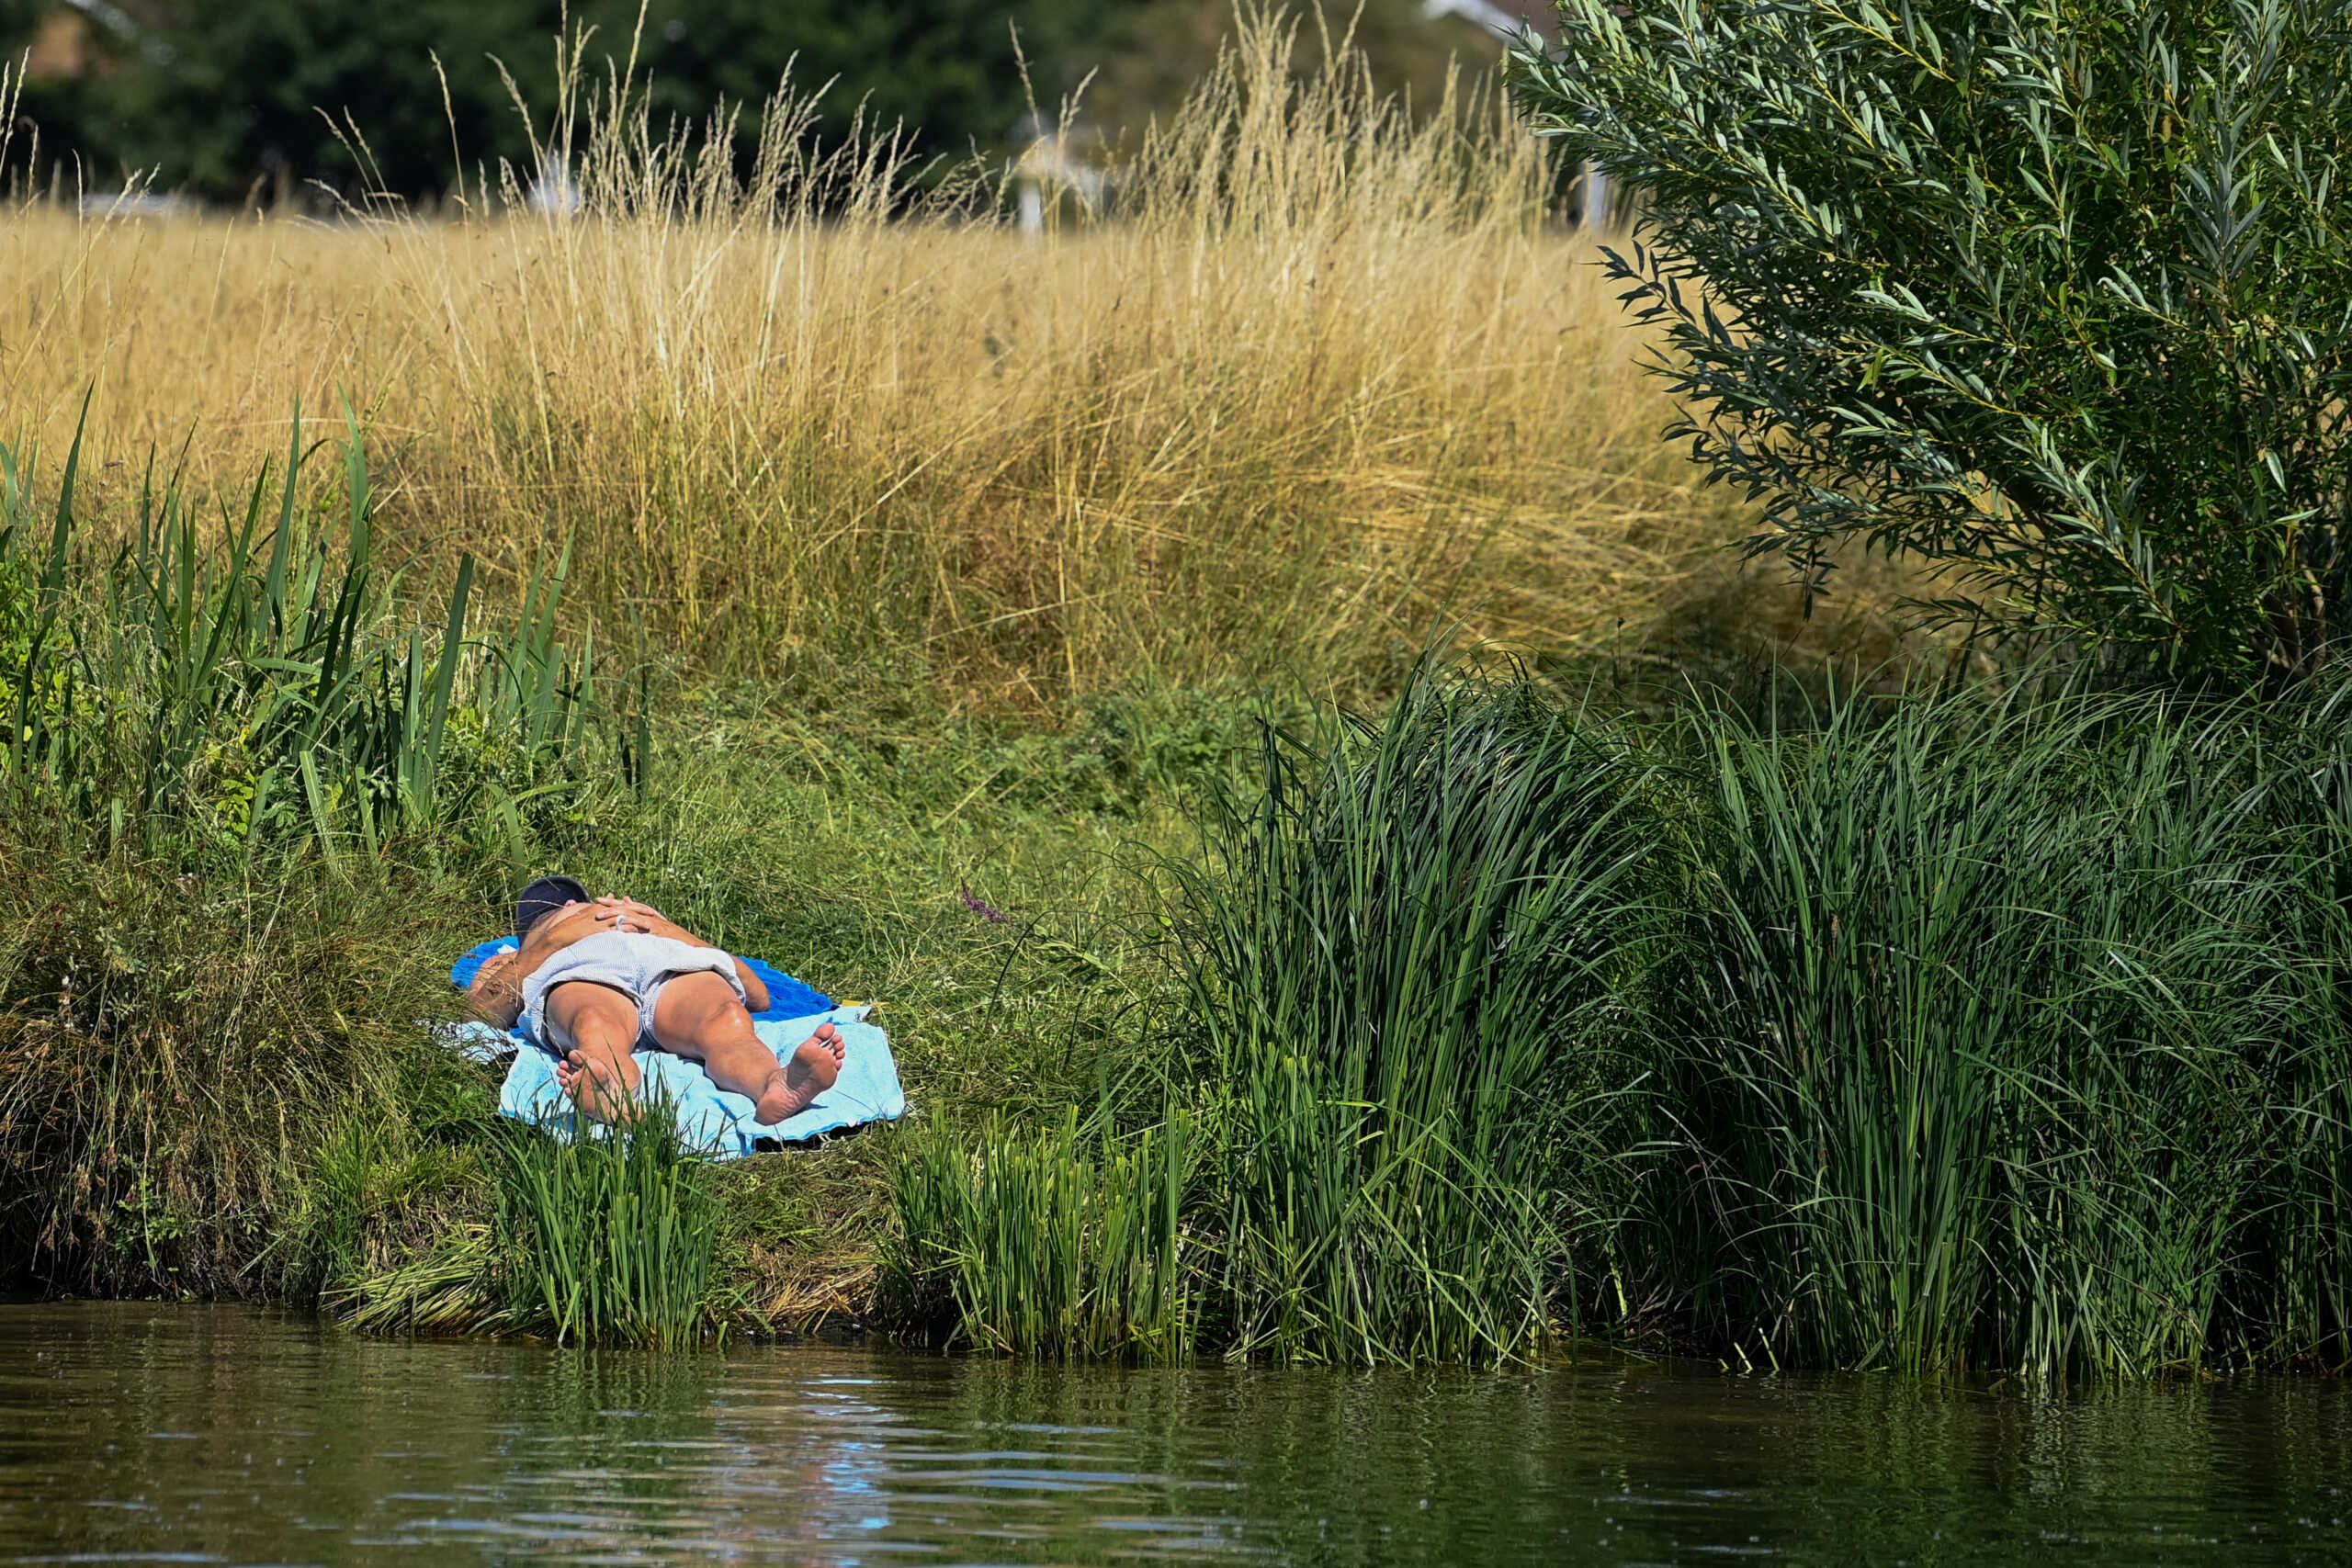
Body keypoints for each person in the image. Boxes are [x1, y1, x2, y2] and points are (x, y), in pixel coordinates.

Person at [467, 874, 844, 1125]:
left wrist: (671, 931)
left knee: (727, 1016)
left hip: (669, 960)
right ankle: (610, 1091)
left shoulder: (652, 925)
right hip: (578, 967)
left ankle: (773, 1083)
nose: (577, 908)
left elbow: (757, 996)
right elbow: (476, 1015)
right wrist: (549, 941)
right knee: (595, 1022)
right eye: (561, 910)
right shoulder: (516, 952)